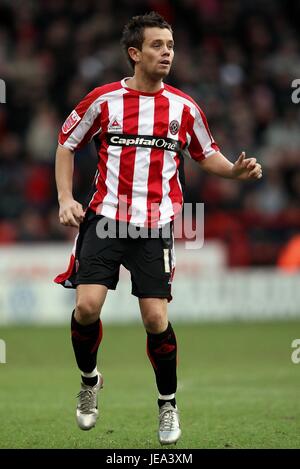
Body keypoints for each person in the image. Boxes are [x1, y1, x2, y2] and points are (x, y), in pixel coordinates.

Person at [54, 11, 262, 445]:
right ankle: (90, 381)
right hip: (105, 218)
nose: (166, 52)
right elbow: (66, 143)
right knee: (87, 307)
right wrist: (65, 198)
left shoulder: (184, 108)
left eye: (169, 46)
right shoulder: (103, 100)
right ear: (135, 53)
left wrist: (235, 172)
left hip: (155, 224)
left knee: (154, 318)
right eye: (156, 45)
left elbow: (207, 154)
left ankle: (167, 405)